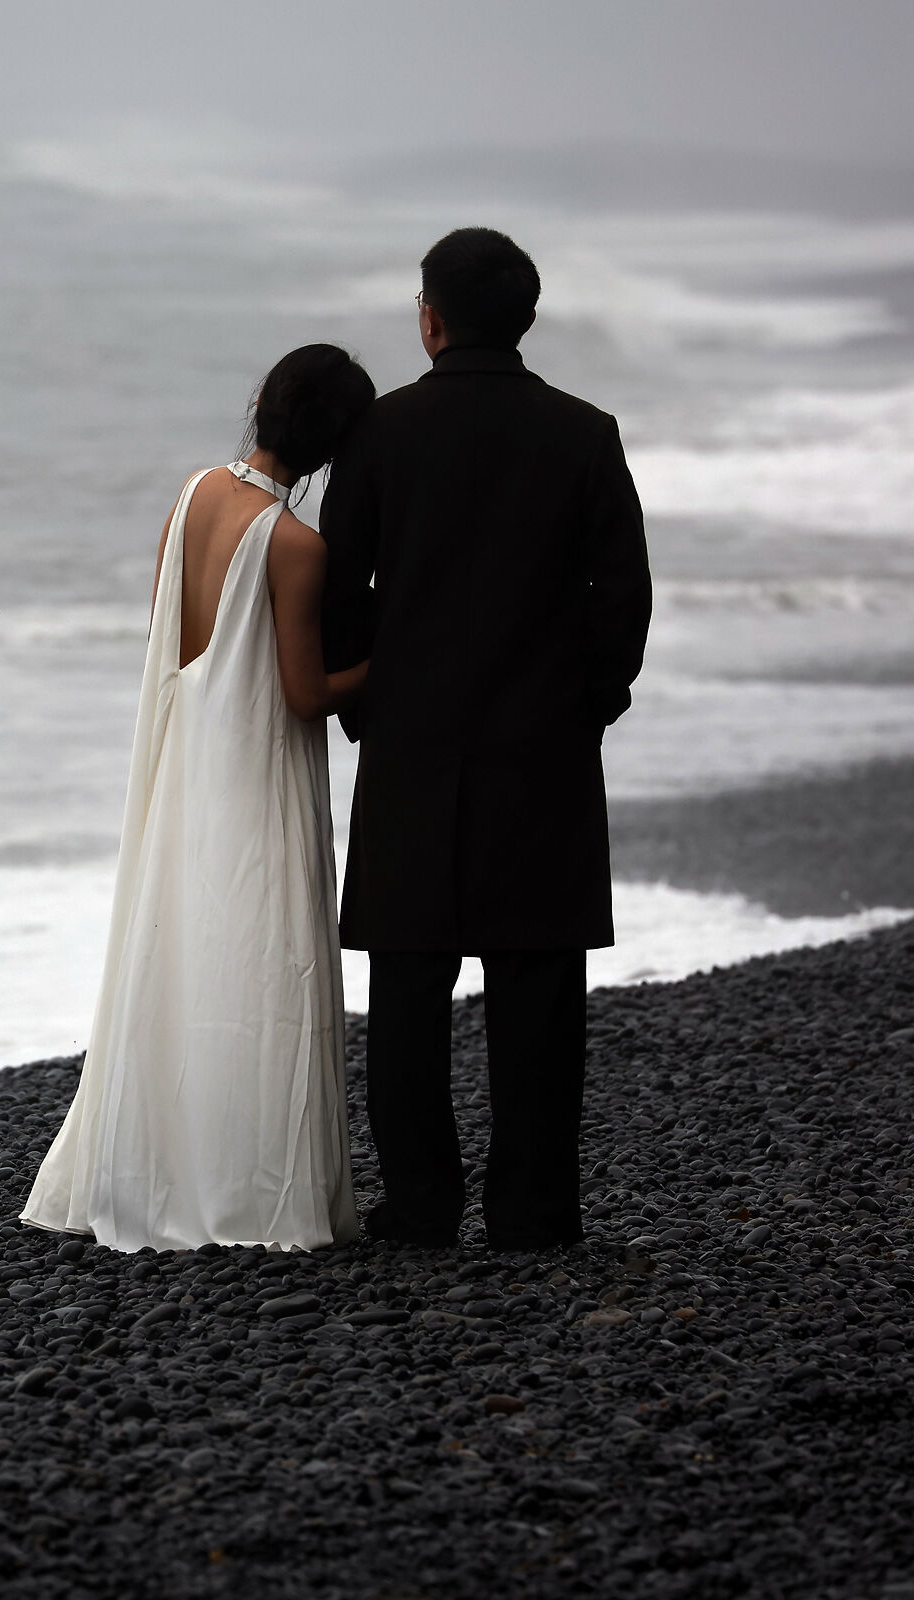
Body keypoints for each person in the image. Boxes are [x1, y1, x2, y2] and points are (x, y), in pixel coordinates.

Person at [320, 227, 653, 1251]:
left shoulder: (380, 432)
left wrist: (365, 705)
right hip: (544, 751)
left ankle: (421, 1207)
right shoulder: (584, 432)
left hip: (411, 744)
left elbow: (338, 589)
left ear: (430, 319)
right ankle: (534, 1212)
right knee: (538, 987)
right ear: (525, 317)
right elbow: (623, 596)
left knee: (408, 988)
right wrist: (589, 703)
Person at [24, 345, 375, 1252]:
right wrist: (396, 659)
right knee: (259, 962)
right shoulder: (296, 545)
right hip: (255, 771)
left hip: (185, 762)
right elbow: (305, 694)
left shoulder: (192, 497)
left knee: (180, 950)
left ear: (262, 403)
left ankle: (160, 1164)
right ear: (336, 447)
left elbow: (168, 638)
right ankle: (245, 1185)